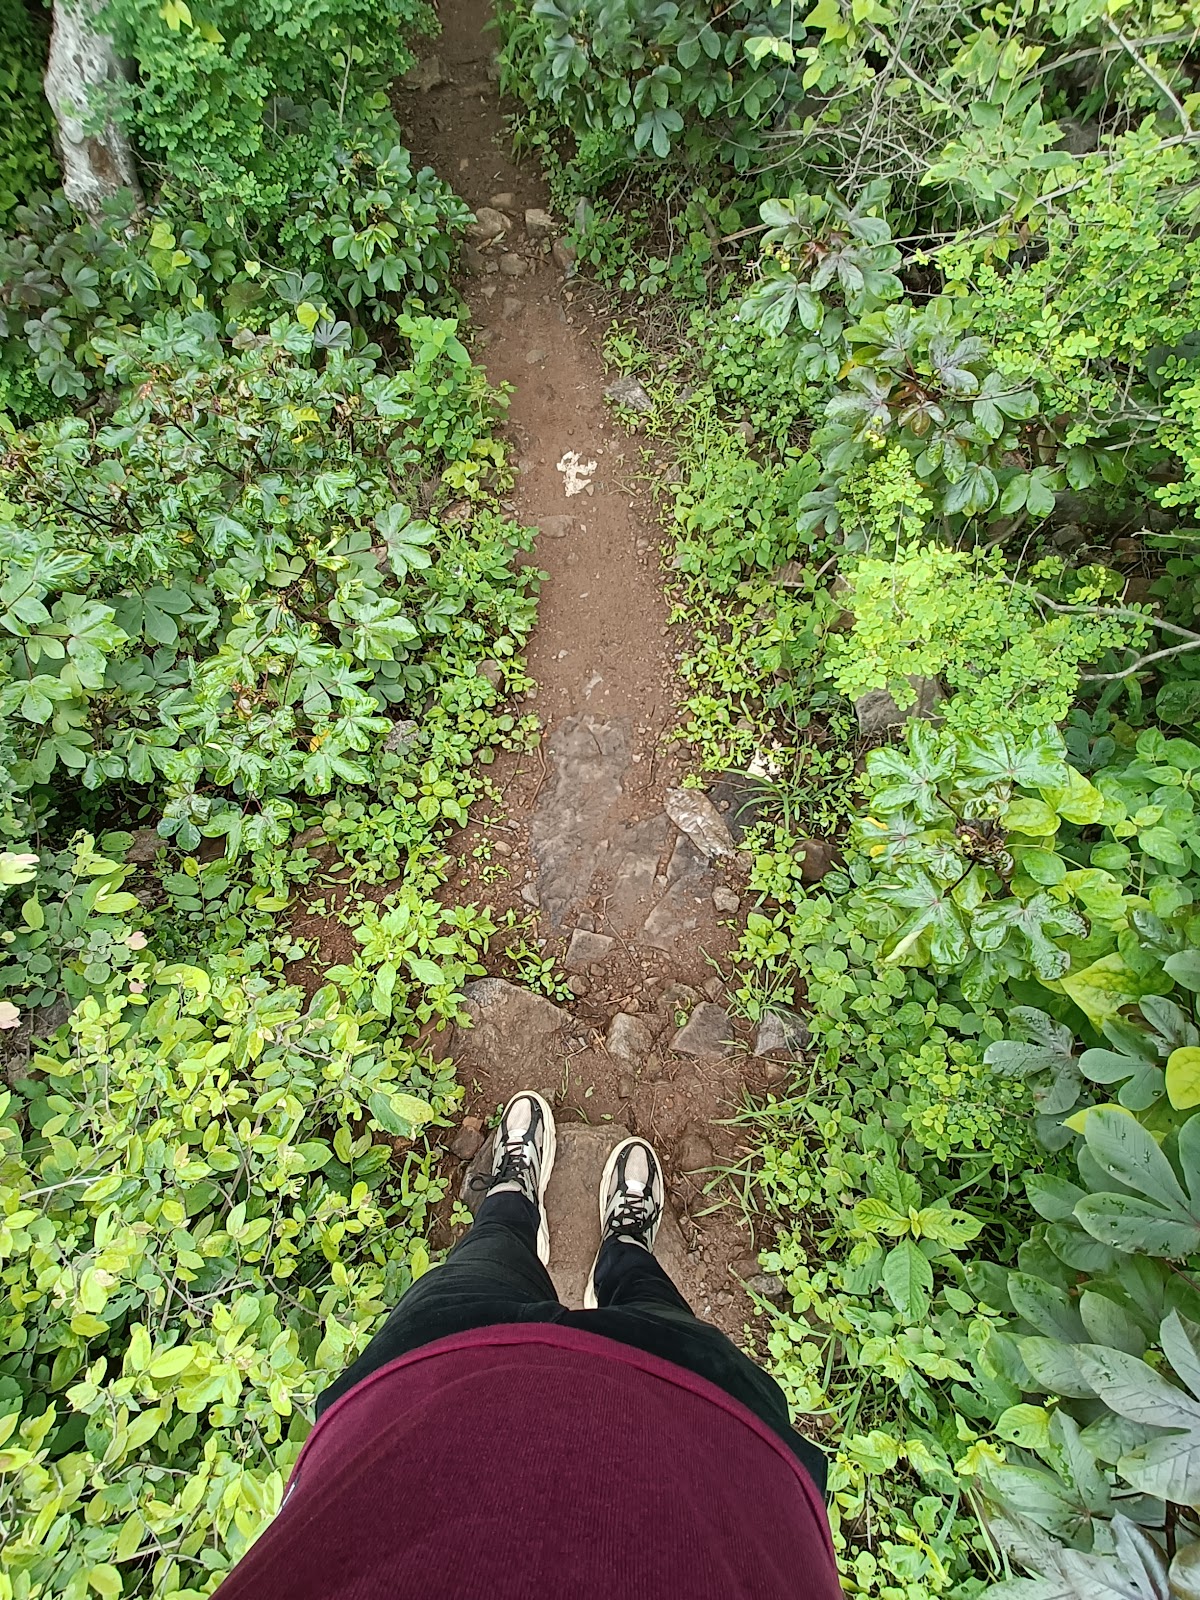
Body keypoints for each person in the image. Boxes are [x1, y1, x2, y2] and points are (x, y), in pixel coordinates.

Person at [215, 1092, 840, 1598]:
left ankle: (512, 1201)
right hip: (705, 1434)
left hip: (428, 1386)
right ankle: (622, 1252)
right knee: (652, 1305)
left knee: (484, 1257)